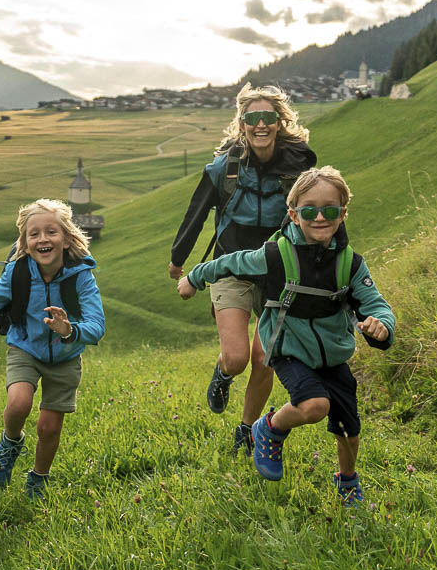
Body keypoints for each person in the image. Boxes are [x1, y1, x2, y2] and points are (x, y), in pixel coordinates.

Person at [177, 167, 394, 504]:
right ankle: (271, 426)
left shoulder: (351, 264)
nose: (320, 217)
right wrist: (194, 277)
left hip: (333, 354)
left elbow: (374, 304)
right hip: (288, 348)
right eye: (309, 211)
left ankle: (347, 480)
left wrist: (382, 324)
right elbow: (232, 262)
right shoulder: (276, 255)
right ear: (293, 215)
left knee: (349, 430)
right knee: (314, 406)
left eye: (330, 210)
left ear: (343, 213)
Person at [168, 83, 316, 455]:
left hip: (280, 271)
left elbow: (317, 210)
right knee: (236, 357)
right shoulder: (225, 168)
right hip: (231, 265)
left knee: (264, 359)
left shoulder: (301, 166)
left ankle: (247, 430)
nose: (261, 125)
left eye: (269, 118)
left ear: (281, 122)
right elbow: (196, 211)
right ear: (242, 123)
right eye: (253, 118)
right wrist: (178, 258)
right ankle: (223, 374)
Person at [0, 199, 105, 500]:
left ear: (67, 237)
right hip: (25, 348)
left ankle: (38, 479)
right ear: (25, 243)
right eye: (34, 234)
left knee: (48, 428)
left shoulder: (81, 275)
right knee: (18, 403)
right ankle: (9, 444)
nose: (43, 239)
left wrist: (70, 330)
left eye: (51, 232)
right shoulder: (19, 272)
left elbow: (97, 324)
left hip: (66, 357)